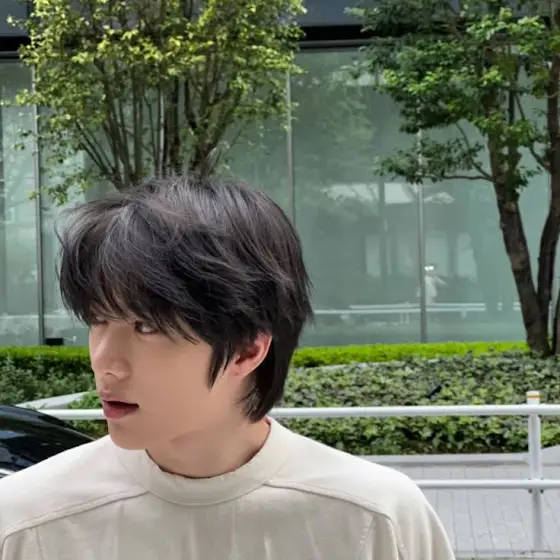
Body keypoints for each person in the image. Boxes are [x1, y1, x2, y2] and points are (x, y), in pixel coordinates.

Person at [0, 176, 455, 560]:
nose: (105, 362)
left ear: (246, 349)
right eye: (98, 321)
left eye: (146, 327)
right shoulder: (26, 521)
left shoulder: (376, 520)